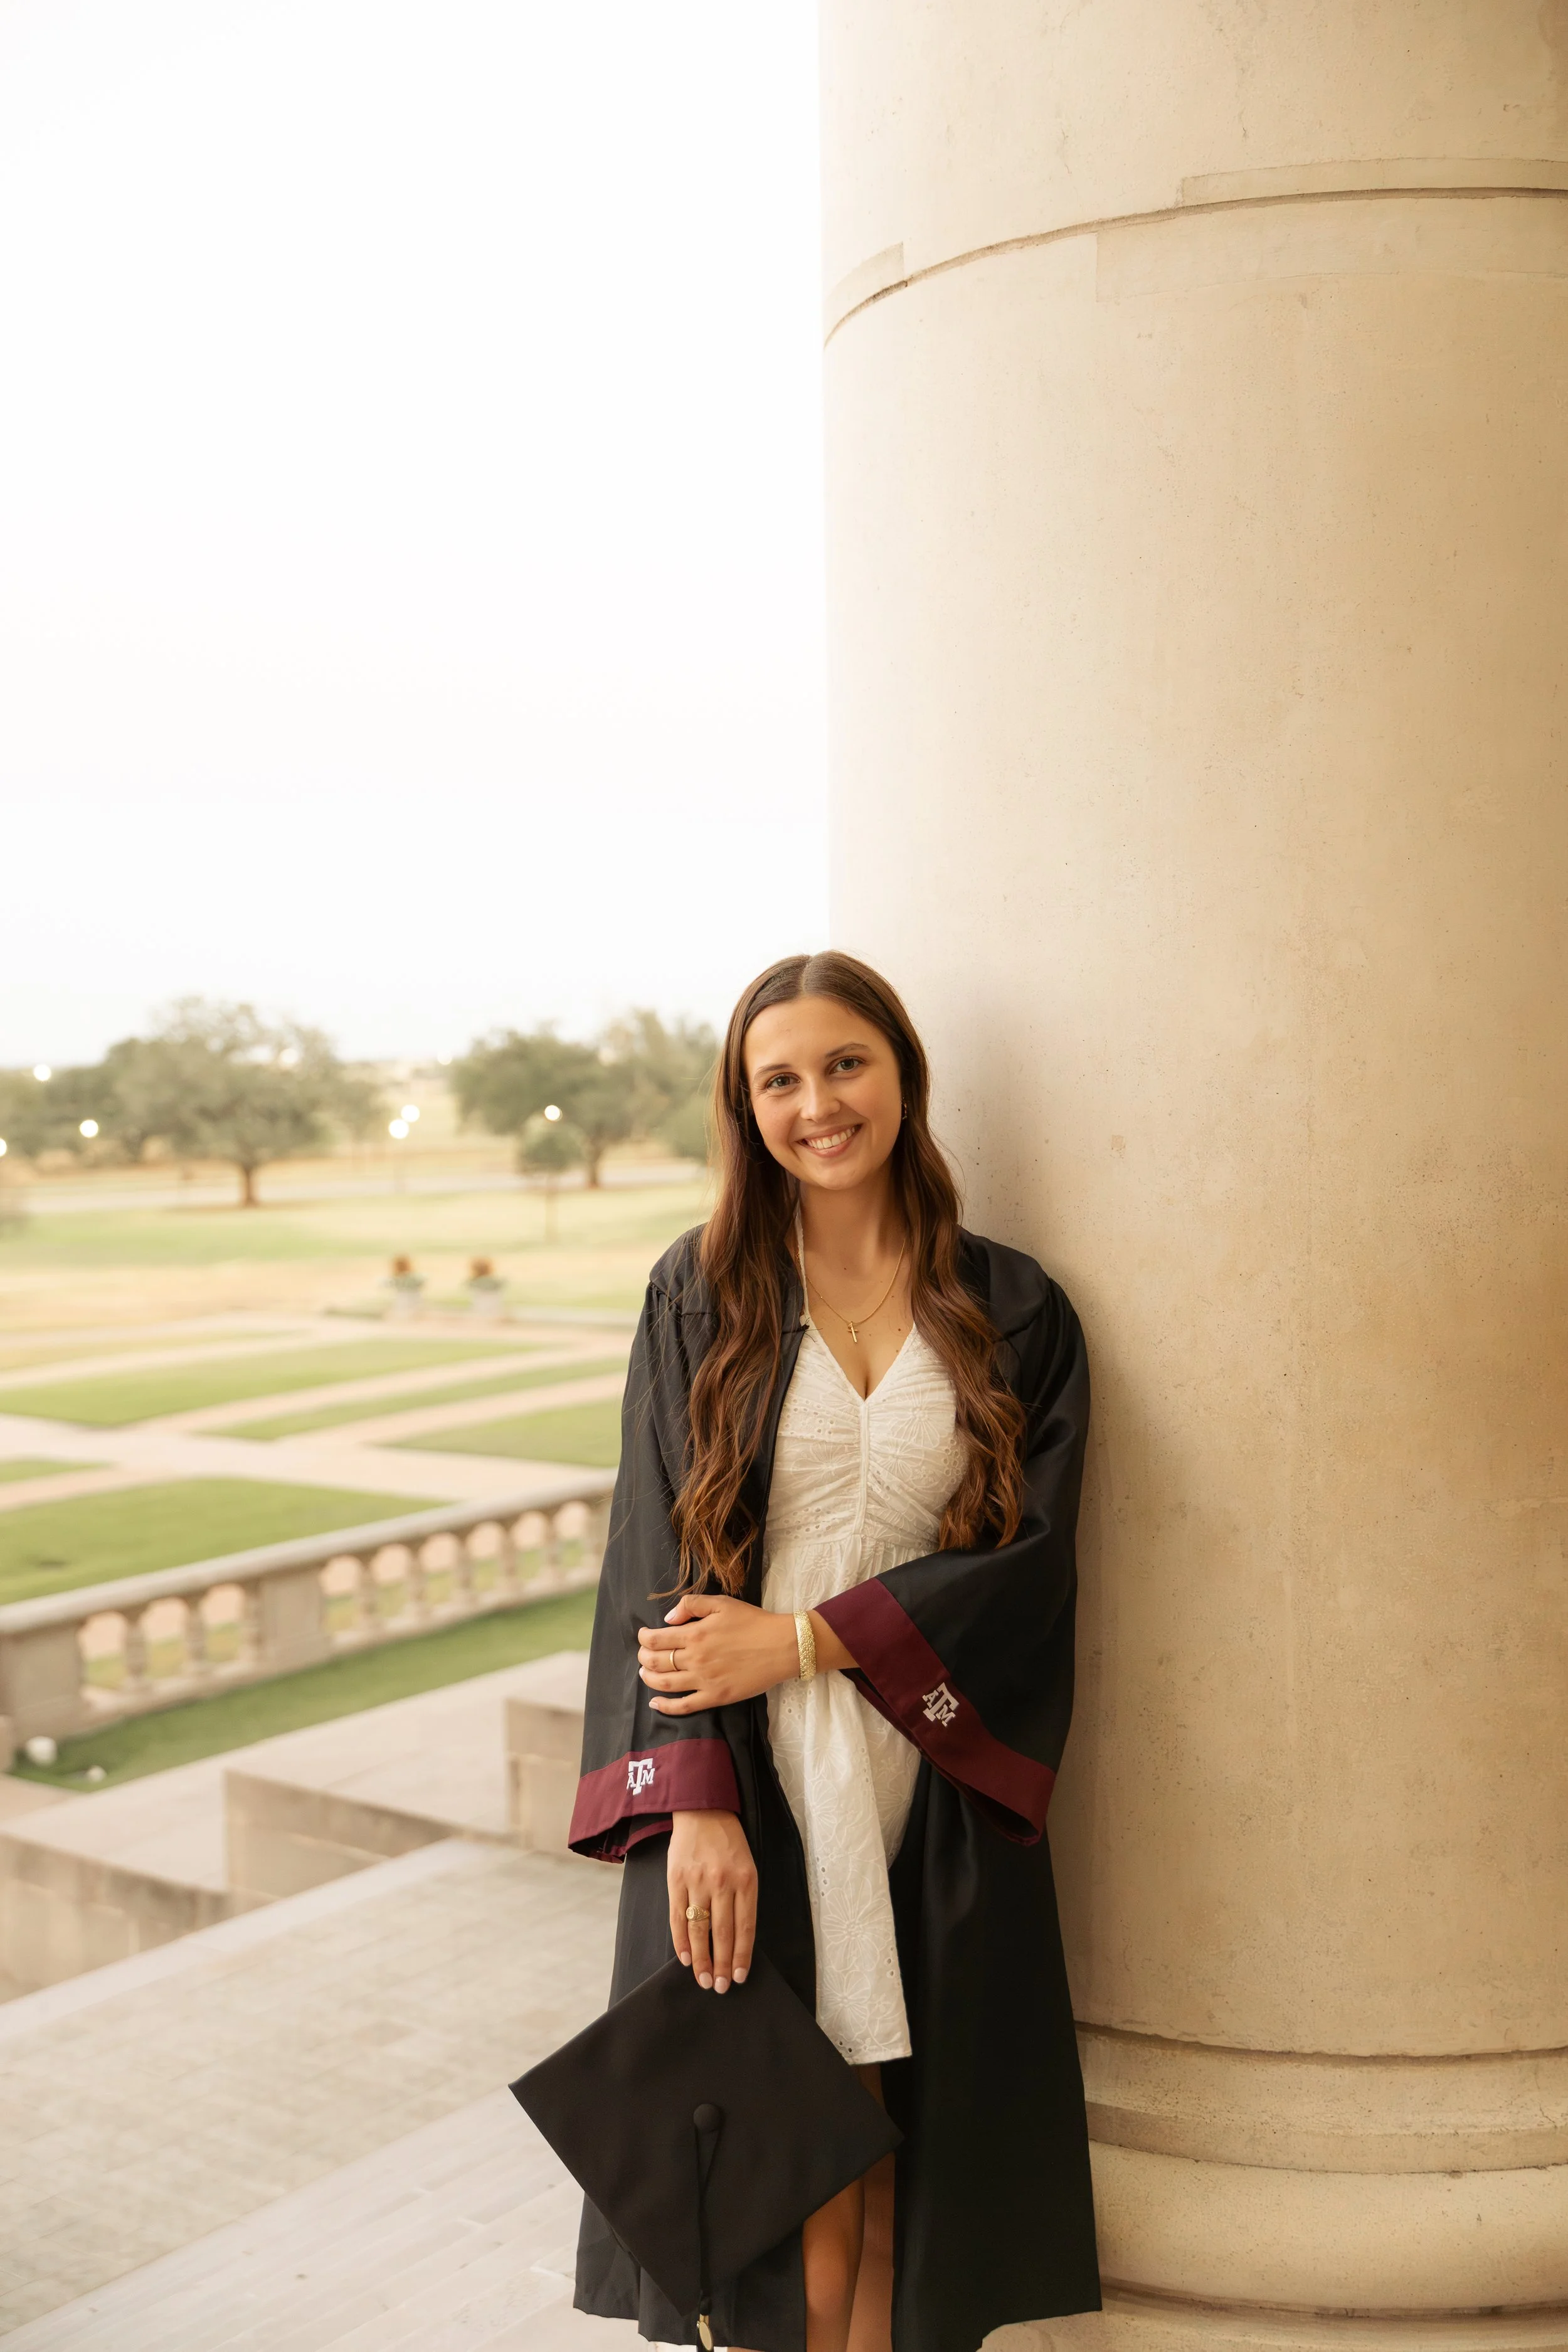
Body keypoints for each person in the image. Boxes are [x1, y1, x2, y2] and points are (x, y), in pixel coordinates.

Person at [569, 951, 1100, 2352]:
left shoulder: (1012, 1308)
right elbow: (651, 1564)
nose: (818, 1103)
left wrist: (803, 1639)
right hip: (757, 1769)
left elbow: (1028, 1566)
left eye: (844, 1064)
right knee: (776, 2168)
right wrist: (693, 1800)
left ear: (903, 1074)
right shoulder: (704, 1293)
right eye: (779, 1079)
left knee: (885, 2161)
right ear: (745, 1112)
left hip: (921, 1755)